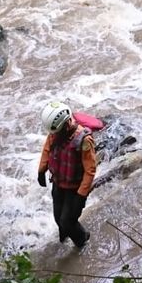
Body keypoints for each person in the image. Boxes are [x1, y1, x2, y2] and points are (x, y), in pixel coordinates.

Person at [37, 101, 97, 248]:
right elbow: (47, 150)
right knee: (58, 218)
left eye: (55, 132)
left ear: (65, 124)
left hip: (74, 189)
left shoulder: (83, 140)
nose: (52, 135)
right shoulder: (54, 133)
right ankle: (64, 240)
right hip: (58, 183)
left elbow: (90, 170)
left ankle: (83, 240)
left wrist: (81, 195)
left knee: (67, 220)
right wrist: (41, 170)